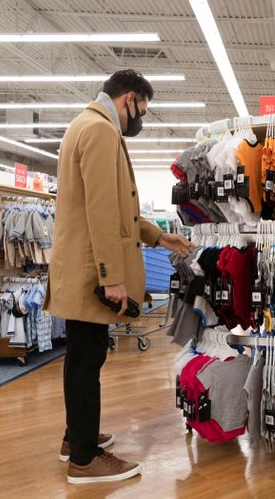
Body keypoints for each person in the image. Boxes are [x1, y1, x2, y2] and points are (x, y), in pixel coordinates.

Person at [45, 69, 196, 484]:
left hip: (80, 267)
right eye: (141, 110)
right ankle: (84, 458)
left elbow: (119, 207)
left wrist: (159, 236)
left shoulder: (85, 125)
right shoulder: (99, 131)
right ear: (129, 98)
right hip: (90, 271)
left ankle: (76, 438)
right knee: (86, 358)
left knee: (83, 356)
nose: (140, 120)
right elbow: (101, 211)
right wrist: (111, 277)